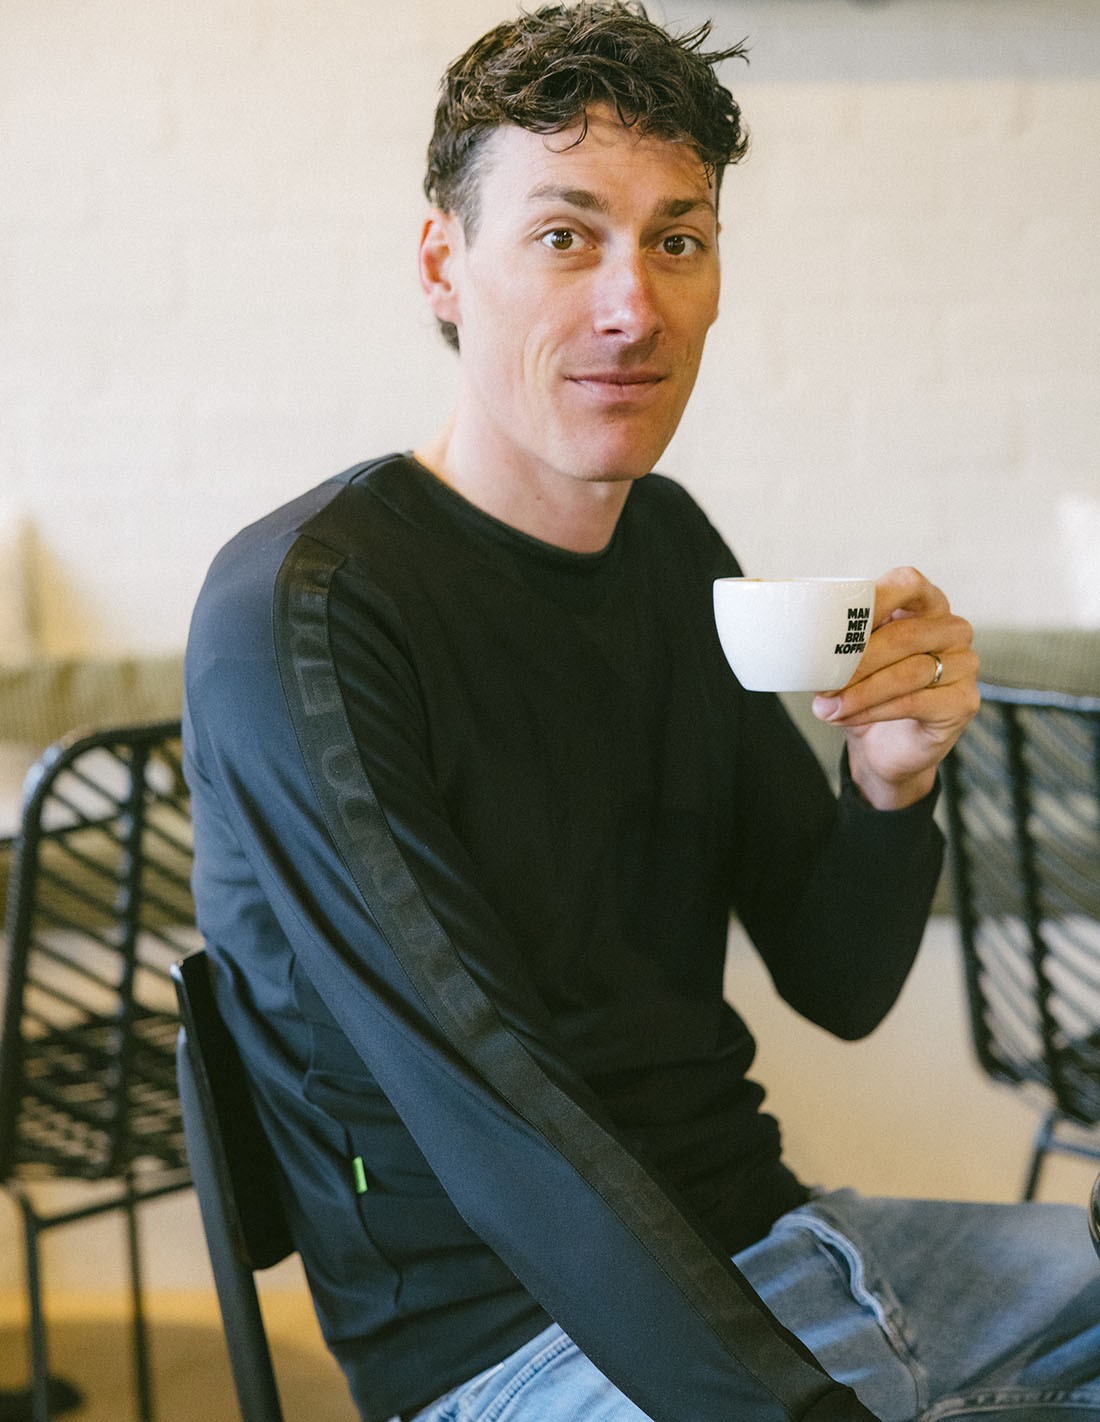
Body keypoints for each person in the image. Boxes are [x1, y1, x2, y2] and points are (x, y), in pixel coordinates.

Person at [182, 5, 1100, 1420]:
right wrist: (794, 1407)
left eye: (678, 240)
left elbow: (840, 984)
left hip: (808, 1255)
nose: (634, 307)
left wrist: (889, 782)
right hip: (531, 1347)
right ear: (443, 262)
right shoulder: (305, 610)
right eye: (566, 236)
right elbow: (496, 1112)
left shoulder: (670, 547)